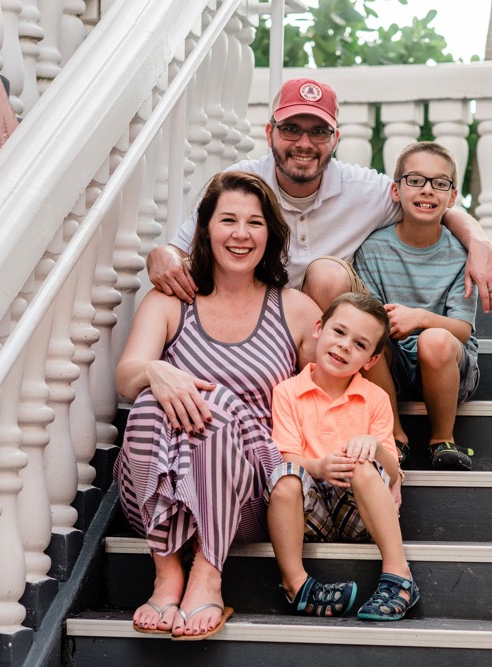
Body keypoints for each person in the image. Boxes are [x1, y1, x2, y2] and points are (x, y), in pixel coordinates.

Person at [114, 171, 321, 640]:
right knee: (149, 400)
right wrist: (156, 371)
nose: (241, 234)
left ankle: (208, 572)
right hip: (154, 491)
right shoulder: (170, 301)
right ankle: (167, 573)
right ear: (205, 229)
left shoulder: (295, 308)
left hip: (246, 495)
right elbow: (127, 375)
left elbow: (325, 394)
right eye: (227, 220)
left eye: (255, 222)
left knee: (218, 405)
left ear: (271, 234)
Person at [145, 77, 492, 314]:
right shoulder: (238, 185)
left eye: (318, 131)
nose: (304, 144)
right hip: (255, 315)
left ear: (336, 139)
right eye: (291, 129)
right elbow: (181, 249)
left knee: (327, 274)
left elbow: (431, 206)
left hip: (328, 328)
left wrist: (479, 242)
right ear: (270, 132)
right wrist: (162, 254)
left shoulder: (365, 190)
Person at [266, 292, 418, 622]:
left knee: (365, 466)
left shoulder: (375, 398)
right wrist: (319, 466)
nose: (345, 345)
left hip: (358, 512)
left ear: (370, 360)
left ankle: (399, 575)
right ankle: (296, 583)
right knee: (285, 476)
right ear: (319, 328)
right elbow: (286, 456)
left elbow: (392, 471)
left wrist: (375, 446)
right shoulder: (288, 392)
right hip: (309, 512)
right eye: (339, 332)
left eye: (360, 344)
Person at [355, 142, 480, 471]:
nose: (427, 190)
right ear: (396, 190)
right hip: (391, 364)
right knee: (369, 339)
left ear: (452, 198)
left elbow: (463, 331)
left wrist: (421, 318)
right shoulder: (373, 249)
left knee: (434, 339)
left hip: (448, 364)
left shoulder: (462, 256)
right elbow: (368, 317)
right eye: (415, 180)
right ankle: (394, 436)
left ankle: (442, 439)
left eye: (440, 183)